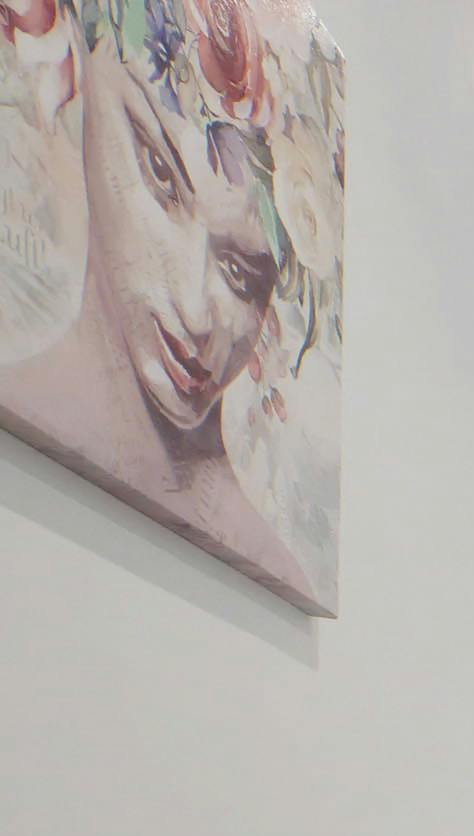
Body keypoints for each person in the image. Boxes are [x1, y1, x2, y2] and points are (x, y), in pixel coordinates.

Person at [0, 0, 332, 604]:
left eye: (240, 274)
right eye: (158, 169)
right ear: (80, 65)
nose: (197, 313)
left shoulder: (271, 562)